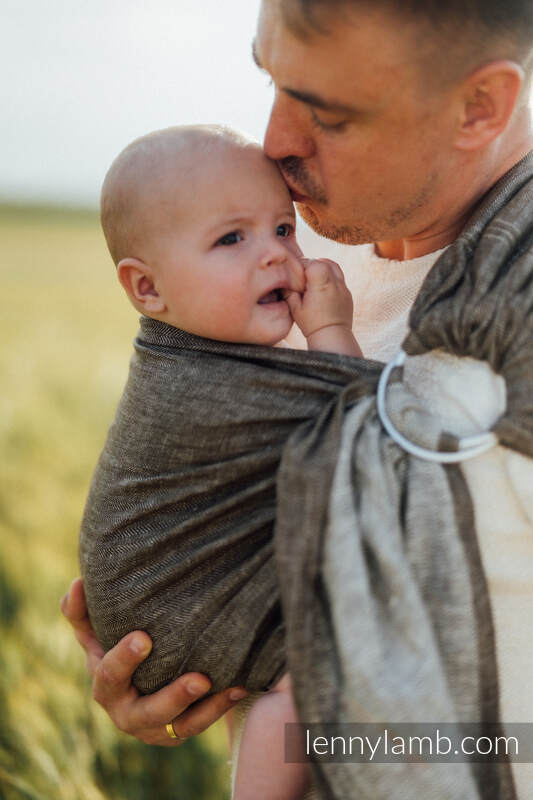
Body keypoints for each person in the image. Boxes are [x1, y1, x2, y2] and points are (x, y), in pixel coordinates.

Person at [63, 0, 533, 796]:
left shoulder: (506, 313)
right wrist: (170, 658)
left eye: (328, 114)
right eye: (272, 82)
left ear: (478, 106)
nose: (274, 140)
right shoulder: (290, 241)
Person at [79, 123, 361, 800]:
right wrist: (329, 331)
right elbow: (358, 429)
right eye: (232, 239)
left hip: (162, 596)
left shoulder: (197, 348)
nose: (276, 255)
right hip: (176, 606)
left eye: (284, 229)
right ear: (148, 289)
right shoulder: (201, 385)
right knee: (310, 666)